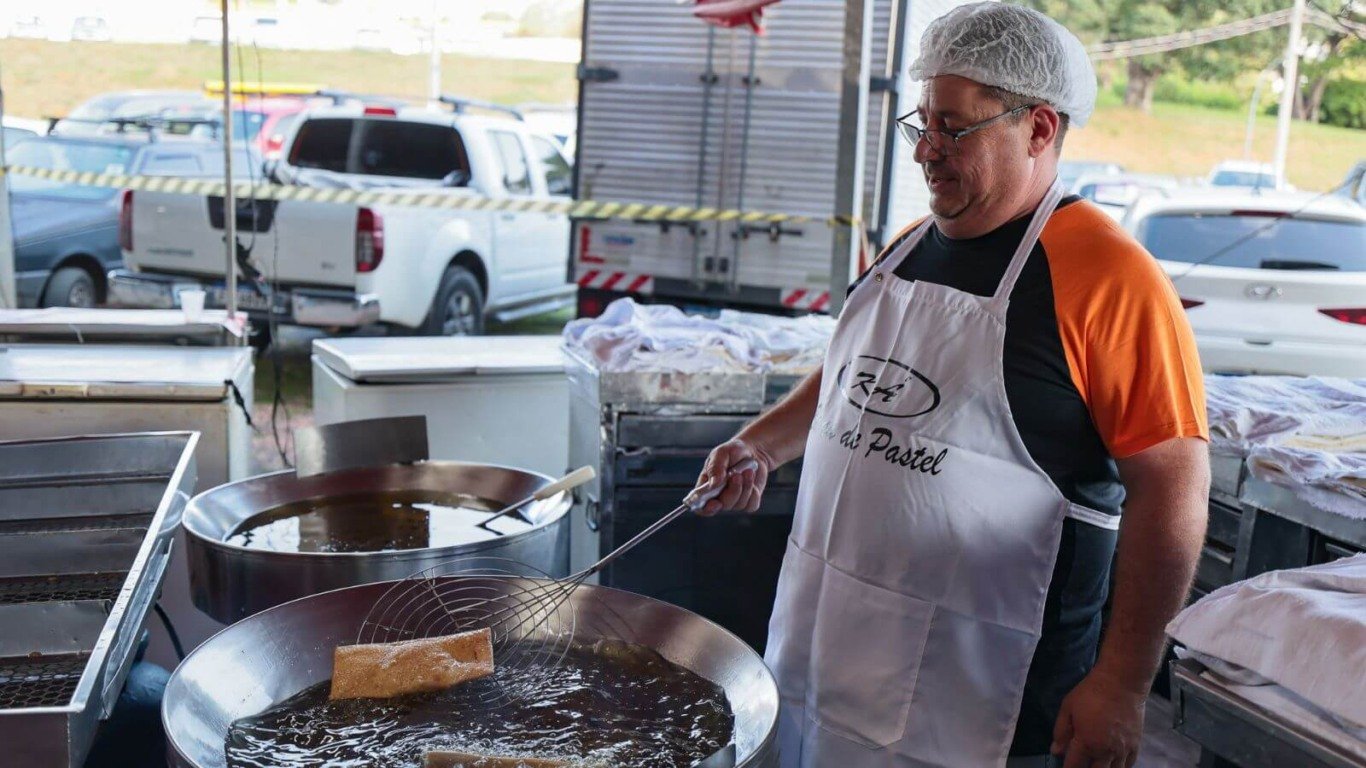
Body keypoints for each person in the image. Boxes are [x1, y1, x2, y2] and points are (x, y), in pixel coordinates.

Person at [693, 4, 1211, 767]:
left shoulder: (1109, 278)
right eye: (922, 122)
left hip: (980, 700)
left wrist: (1124, 682)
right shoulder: (908, 246)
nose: (926, 152)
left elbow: (1173, 488)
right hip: (820, 658)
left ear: (1039, 128)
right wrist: (761, 447)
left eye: (954, 128)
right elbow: (850, 379)